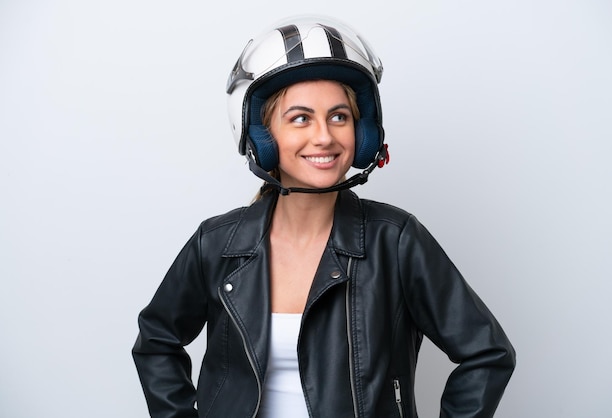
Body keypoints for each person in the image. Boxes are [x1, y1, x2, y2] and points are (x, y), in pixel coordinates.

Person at [132, 15, 515, 418]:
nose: (324, 136)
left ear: (362, 133)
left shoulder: (396, 240)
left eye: (339, 116)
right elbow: (157, 340)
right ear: (262, 138)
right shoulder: (216, 244)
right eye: (300, 118)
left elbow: (487, 354)